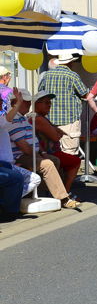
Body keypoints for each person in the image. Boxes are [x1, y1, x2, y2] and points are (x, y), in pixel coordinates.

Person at [10, 90, 79, 209]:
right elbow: (25, 147)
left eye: (28, 102)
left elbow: (34, 140)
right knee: (47, 164)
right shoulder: (14, 120)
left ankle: (47, 193)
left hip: (34, 152)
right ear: (16, 103)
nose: (28, 104)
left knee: (54, 160)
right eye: (25, 102)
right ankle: (63, 198)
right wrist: (40, 155)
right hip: (20, 156)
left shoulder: (23, 119)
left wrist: (43, 152)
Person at [32, 92, 83, 200]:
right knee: (75, 161)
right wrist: (56, 131)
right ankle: (66, 191)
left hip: (47, 151)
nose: (49, 105)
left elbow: (58, 132)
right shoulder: (39, 119)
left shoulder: (40, 118)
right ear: (36, 104)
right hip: (47, 152)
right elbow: (56, 136)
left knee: (68, 160)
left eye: (50, 102)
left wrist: (56, 131)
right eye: (46, 102)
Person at [37, 53, 90, 156]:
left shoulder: (47, 75)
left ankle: (58, 172)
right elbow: (85, 94)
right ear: (70, 63)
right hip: (69, 120)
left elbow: (40, 94)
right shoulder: (72, 75)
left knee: (52, 152)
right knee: (69, 153)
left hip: (49, 121)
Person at [0, 86, 29, 219]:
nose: (2, 103)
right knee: (18, 178)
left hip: (5, 162)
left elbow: (5, 121)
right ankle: (9, 210)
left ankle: (8, 206)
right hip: (5, 161)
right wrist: (18, 103)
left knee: (18, 177)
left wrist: (18, 102)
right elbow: (7, 121)